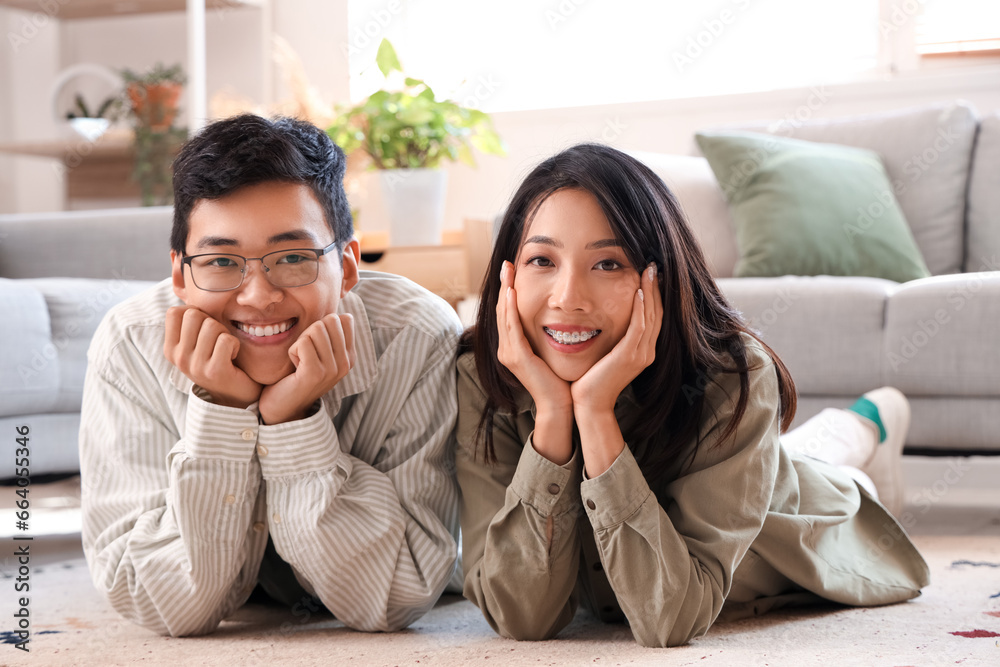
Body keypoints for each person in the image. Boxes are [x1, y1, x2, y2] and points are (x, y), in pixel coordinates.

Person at [455, 143, 930, 648]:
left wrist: (593, 414)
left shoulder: (733, 375)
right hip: (754, 466)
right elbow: (522, 617)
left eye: (608, 264)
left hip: (786, 514)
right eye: (542, 259)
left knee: (826, 474)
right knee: (800, 450)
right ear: (508, 274)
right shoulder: (481, 375)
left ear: (658, 278)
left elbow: (670, 619)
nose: (568, 297)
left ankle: (868, 421)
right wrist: (553, 414)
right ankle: (859, 423)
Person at [80, 115, 461, 637]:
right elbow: (157, 604)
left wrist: (293, 421)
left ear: (347, 266)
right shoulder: (130, 345)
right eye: (220, 261)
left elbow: (397, 596)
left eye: (292, 258)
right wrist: (220, 410)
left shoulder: (415, 336)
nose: (258, 296)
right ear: (180, 274)